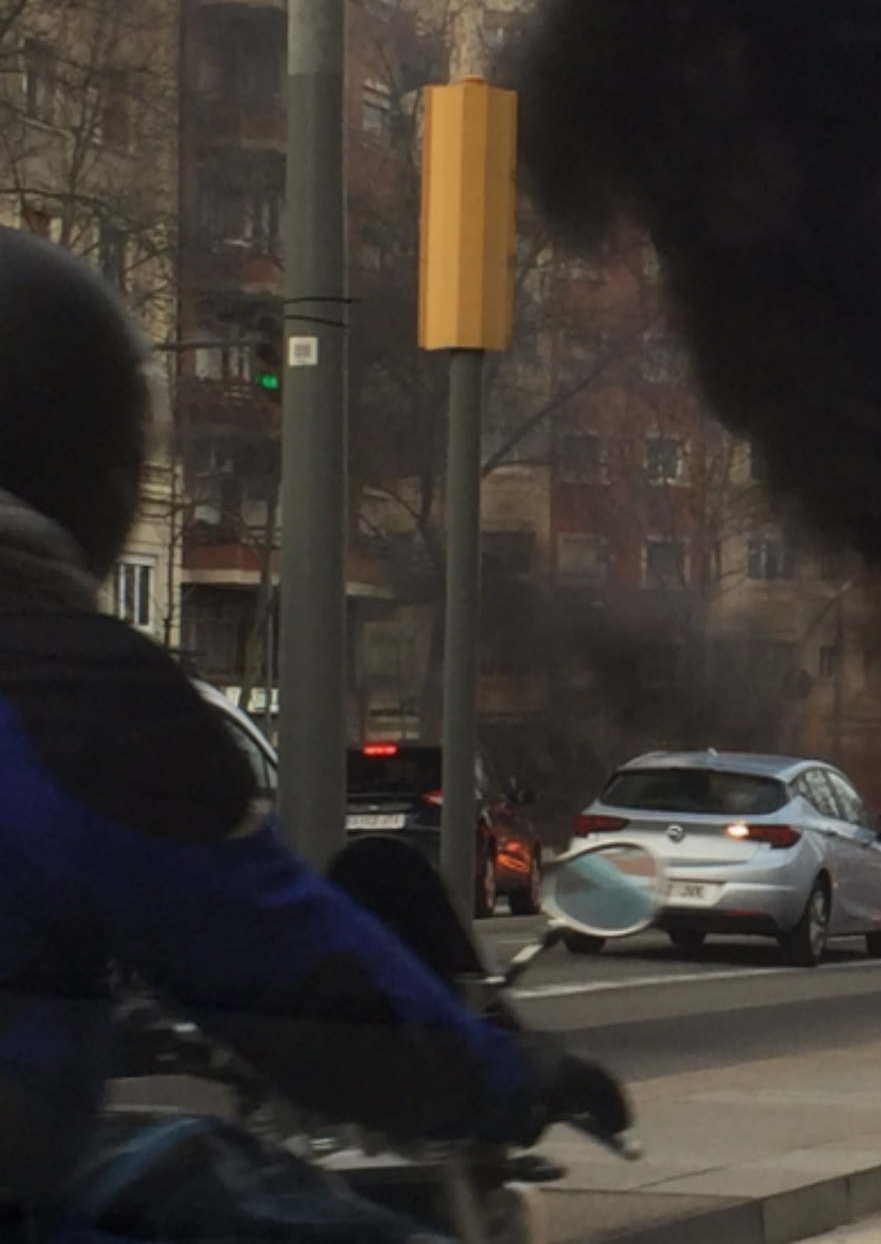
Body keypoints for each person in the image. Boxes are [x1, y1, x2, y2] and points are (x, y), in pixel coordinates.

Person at [0, 228, 629, 1229]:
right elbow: (290, 973)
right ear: (74, 448)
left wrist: (103, 1021)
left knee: (170, 1157)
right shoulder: (79, 696)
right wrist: (503, 1073)